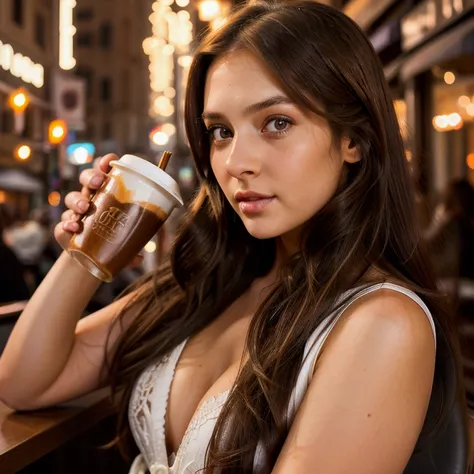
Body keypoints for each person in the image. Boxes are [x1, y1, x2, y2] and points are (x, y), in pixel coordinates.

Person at [0, 2, 466, 473]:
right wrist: (88, 247)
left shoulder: (382, 322)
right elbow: (24, 383)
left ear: (354, 139)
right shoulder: (209, 281)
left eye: (277, 123)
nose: (236, 162)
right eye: (221, 131)